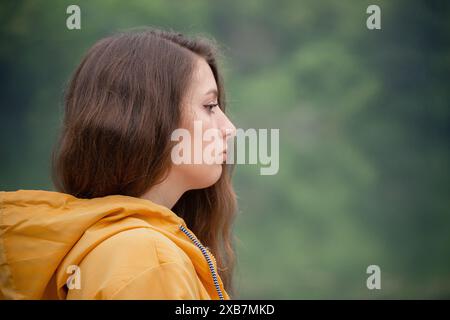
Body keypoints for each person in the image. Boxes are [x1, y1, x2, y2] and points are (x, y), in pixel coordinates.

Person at [0, 28, 238, 300]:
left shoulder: (105, 243)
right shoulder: (150, 260)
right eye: (209, 106)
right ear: (149, 119)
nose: (228, 128)